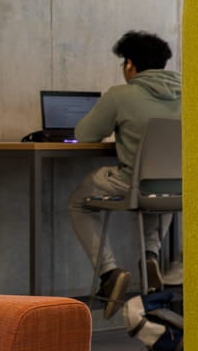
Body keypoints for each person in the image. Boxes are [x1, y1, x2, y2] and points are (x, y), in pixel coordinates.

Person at [69, 31, 182, 317]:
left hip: (131, 185)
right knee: (159, 189)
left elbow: (85, 134)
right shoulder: (189, 94)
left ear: (130, 65)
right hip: (177, 189)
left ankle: (109, 273)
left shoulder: (121, 95)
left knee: (80, 202)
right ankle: (150, 256)